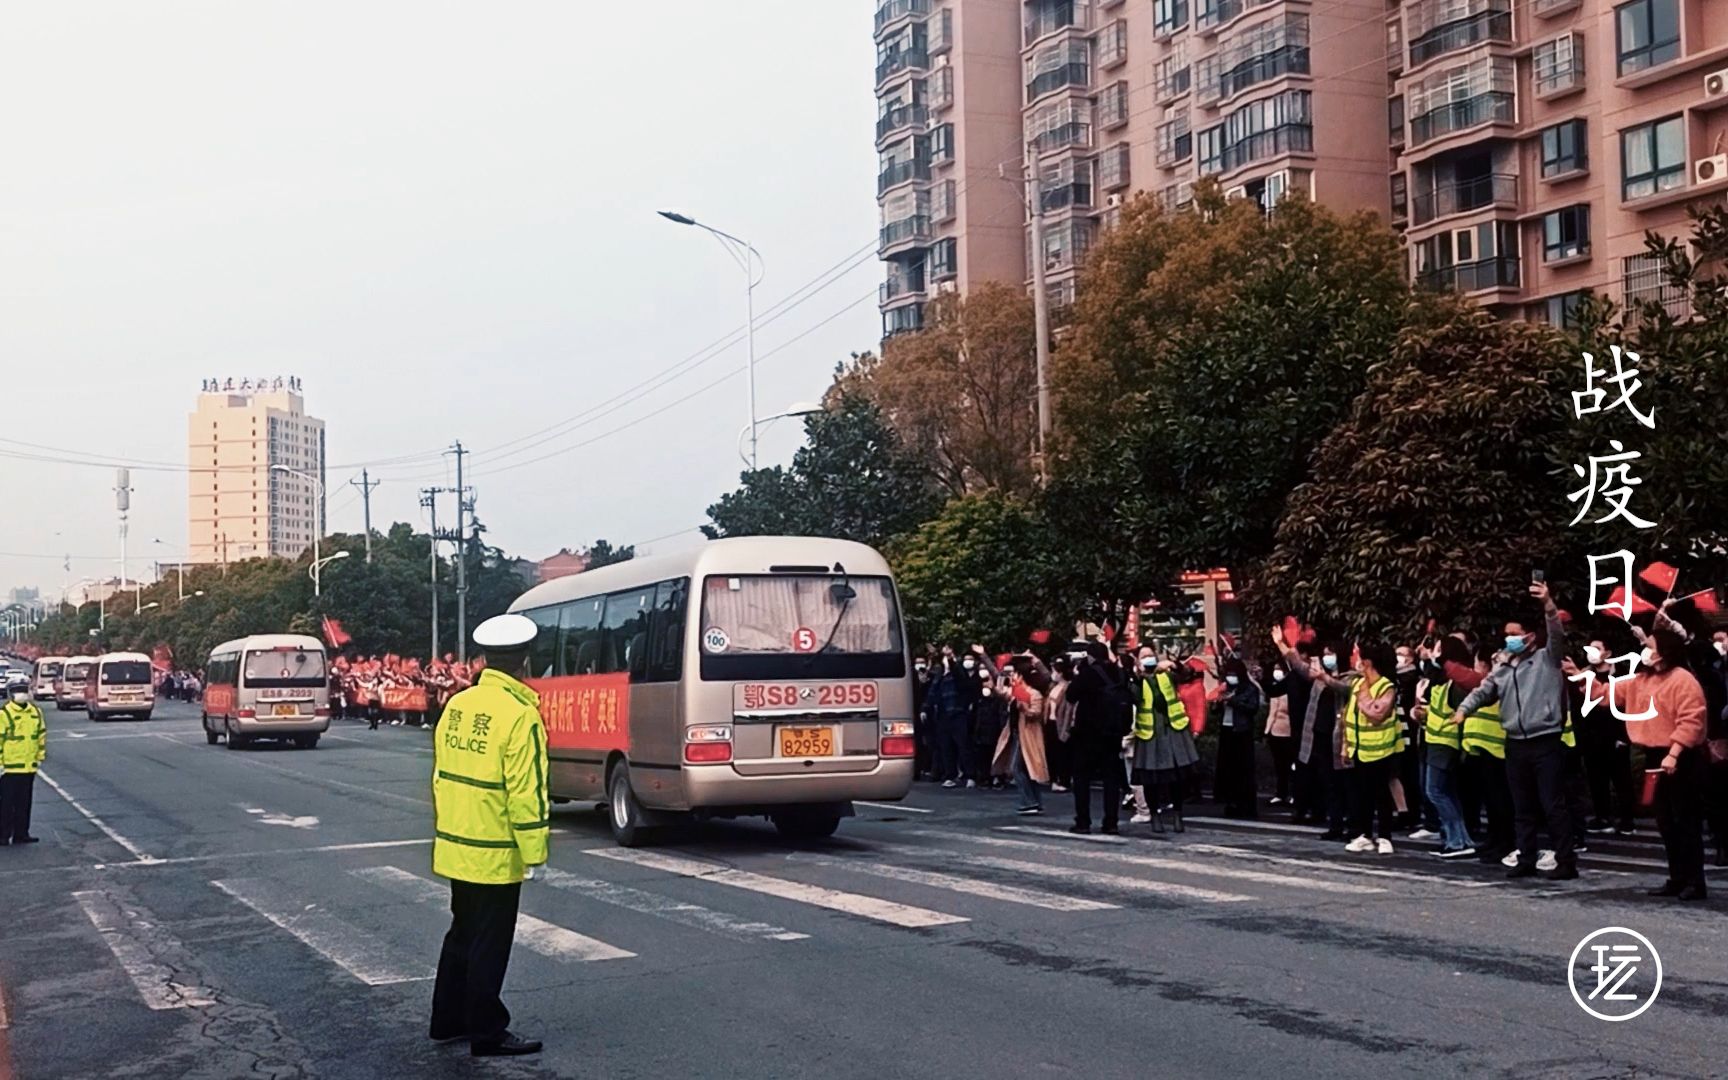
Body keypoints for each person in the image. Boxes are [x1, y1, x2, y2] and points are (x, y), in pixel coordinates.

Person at [429, 614, 549, 1057]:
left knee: (462, 931)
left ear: (484, 660)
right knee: (489, 941)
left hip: (458, 844)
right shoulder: (520, 716)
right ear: (524, 662)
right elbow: (527, 792)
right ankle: (486, 1030)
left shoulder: (457, 706)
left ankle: (448, 1019)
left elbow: (441, 775)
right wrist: (534, 853)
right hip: (496, 850)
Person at [1573, 629, 1710, 899]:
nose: (1645, 650)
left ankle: (1695, 881)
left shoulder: (1683, 679)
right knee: (1666, 821)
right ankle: (1677, 877)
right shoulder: (1640, 680)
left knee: (1685, 820)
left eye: (1649, 645)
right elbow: (1605, 694)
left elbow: (1692, 719)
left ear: (1664, 651)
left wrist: (1675, 752)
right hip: (1653, 756)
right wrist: (1580, 675)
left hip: (1679, 757)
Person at [1455, 581, 1577, 881]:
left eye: (1514, 634)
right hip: (1516, 743)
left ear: (1530, 636)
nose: (1509, 639)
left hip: (1545, 740)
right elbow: (1484, 690)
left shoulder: (1547, 658)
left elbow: (1556, 630)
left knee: (1552, 805)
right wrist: (1463, 710)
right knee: (1521, 807)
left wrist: (1548, 602)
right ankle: (1526, 858)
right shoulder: (1504, 665)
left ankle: (1566, 861)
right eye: (1506, 635)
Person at [1319, 644, 1401, 854]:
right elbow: (1349, 718)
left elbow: (1377, 713)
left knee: (1381, 794)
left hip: (1381, 750)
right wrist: (1346, 747)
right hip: (1359, 749)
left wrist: (1364, 693)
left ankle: (1384, 836)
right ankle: (1363, 834)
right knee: (1361, 795)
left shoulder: (1386, 686)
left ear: (1368, 662)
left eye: (1360, 658)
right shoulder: (1357, 685)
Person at [1414, 638, 1478, 859]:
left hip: (1445, 744)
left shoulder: (1456, 683)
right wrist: (1424, 714)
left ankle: (1457, 841)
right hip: (1437, 742)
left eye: (1439, 650)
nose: (1434, 654)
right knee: (1446, 793)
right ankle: (1460, 839)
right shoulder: (1443, 681)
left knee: (1436, 792)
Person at [1130, 647, 1200, 833]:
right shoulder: (1137, 680)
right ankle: (1155, 816)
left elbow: (1187, 674)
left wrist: (1174, 664)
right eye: (1143, 657)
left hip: (1173, 730)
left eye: (1150, 655)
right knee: (1151, 780)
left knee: (1176, 777)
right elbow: (1134, 697)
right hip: (1151, 734)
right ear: (1138, 662)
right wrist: (1139, 676)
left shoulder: (1166, 675)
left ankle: (1178, 815)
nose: (1148, 659)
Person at [1066, 641, 1130, 835]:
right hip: (1113, 732)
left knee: (1082, 777)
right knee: (1111, 778)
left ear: (1090, 656)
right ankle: (1111, 822)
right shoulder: (1120, 673)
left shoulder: (1087, 674)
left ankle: (1083, 822)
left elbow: (1071, 695)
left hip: (1088, 733)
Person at [1212, 658, 1263, 819]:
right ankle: (1230, 802)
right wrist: (1218, 702)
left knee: (1244, 771)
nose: (1230, 677)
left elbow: (1252, 708)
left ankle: (1246, 806)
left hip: (1242, 732)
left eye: (1233, 674)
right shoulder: (1225, 688)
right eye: (1228, 674)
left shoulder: (1249, 689)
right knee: (1227, 770)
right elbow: (1215, 710)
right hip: (1227, 730)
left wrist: (1233, 701)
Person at [997, 658, 1050, 815]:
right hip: (1016, 733)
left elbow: (1036, 713)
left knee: (1017, 768)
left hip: (1028, 736)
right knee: (1026, 770)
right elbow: (1001, 693)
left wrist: (1026, 709)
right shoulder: (1016, 693)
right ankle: (1034, 801)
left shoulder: (1033, 694)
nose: (1013, 677)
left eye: (1015, 674)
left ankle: (1029, 801)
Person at [1, 676, 47, 845]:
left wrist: (39, 757)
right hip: (9, 768)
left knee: (24, 803)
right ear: (10, 694)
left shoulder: (35, 712)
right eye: (17, 691)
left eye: (23, 690)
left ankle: (21, 833)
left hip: (28, 767)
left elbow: (40, 736)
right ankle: (3, 835)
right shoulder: (4, 714)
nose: (21, 694)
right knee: (5, 804)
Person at [1261, 660, 1295, 806]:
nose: (1277, 672)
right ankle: (1280, 793)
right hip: (1275, 731)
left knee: (1291, 766)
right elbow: (1271, 713)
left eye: (1279, 669)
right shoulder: (1274, 689)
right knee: (1279, 765)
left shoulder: (1290, 689)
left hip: (1288, 732)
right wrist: (1266, 731)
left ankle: (1293, 793)